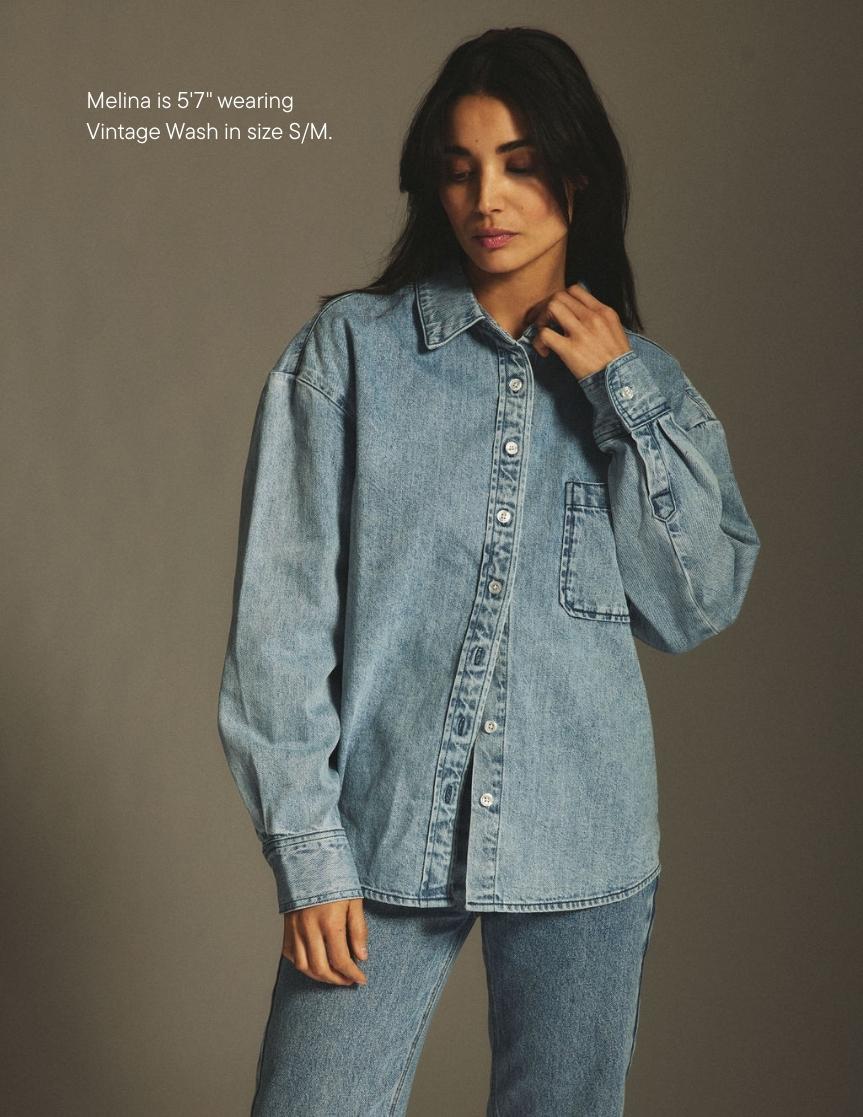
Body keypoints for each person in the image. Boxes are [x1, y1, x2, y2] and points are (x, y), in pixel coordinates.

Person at [216, 26, 761, 1117]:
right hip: (377, 835)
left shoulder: (645, 385)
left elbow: (695, 603)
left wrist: (619, 396)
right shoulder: (350, 354)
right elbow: (279, 624)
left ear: (575, 175)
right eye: (460, 168)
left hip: (584, 841)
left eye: (518, 164)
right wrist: (310, 854)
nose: (485, 197)